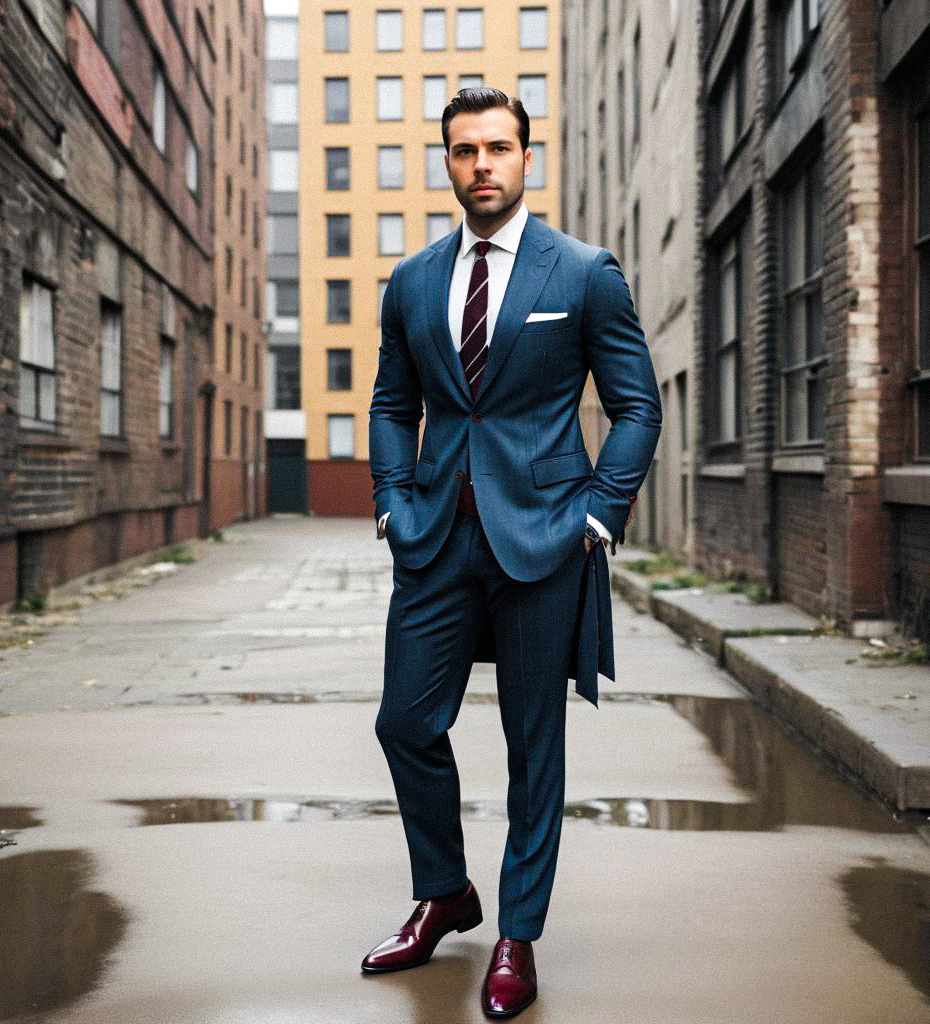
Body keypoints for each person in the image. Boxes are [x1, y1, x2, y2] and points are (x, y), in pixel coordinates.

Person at [363, 87, 661, 1018]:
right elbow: (389, 404)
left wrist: (598, 515)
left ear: (527, 157)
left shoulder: (582, 273)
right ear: (445, 163)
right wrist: (390, 501)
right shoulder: (412, 281)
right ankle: (445, 892)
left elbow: (637, 406)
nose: (481, 164)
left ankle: (517, 936)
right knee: (404, 722)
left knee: (534, 748)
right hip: (437, 540)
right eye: (463, 150)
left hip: (545, 539)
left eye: (498, 147)